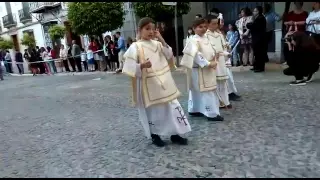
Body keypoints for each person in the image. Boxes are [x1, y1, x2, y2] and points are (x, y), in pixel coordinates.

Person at [123, 17, 191, 147]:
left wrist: (161, 38)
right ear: (140, 30)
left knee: (172, 107)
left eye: (153, 29)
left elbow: (169, 54)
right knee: (155, 111)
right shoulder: (135, 47)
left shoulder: (158, 44)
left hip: (165, 82)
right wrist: (142, 65)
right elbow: (128, 66)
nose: (150, 32)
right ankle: (156, 135)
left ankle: (175, 134)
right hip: (149, 84)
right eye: (147, 29)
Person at [181, 17, 224, 121]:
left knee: (200, 90)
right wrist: (208, 63)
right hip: (199, 69)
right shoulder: (193, 40)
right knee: (205, 90)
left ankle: (195, 109)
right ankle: (211, 113)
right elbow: (196, 55)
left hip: (207, 68)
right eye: (200, 27)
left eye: (205, 26)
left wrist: (216, 55)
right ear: (194, 28)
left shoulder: (206, 38)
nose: (203, 29)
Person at [206, 14, 232, 109]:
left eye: (216, 24)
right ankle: (218, 102)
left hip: (221, 61)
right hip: (213, 61)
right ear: (207, 24)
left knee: (223, 82)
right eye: (213, 24)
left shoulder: (219, 34)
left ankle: (226, 101)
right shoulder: (206, 35)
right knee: (215, 82)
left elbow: (223, 46)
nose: (215, 26)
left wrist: (227, 51)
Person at [247, 6, 267, 73]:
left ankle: (260, 68)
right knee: (256, 53)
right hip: (256, 38)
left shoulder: (260, 18)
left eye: (255, 11)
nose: (254, 12)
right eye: (254, 11)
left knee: (259, 53)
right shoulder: (257, 18)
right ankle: (256, 66)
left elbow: (253, 26)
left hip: (260, 39)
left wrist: (248, 24)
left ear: (258, 11)